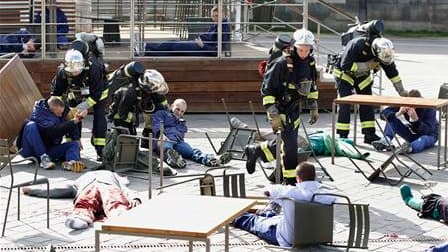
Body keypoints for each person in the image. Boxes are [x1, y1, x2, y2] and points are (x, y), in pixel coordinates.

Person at [244, 28, 319, 185]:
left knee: (287, 143)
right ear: (294, 47)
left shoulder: (310, 63)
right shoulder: (282, 63)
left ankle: (256, 150)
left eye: (307, 49)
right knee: (291, 147)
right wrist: (273, 113)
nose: (304, 53)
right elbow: (267, 89)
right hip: (279, 109)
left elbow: (312, 85)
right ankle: (290, 181)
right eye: (301, 49)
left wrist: (313, 104)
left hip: (294, 109)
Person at [232, 162, 335, 246]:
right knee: (275, 217)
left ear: (298, 178)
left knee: (253, 221)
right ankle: (266, 213)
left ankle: (233, 216)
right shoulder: (328, 195)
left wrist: (269, 192)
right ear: (314, 176)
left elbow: (270, 191)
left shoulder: (292, 193)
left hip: (289, 238)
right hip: (316, 237)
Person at [333, 32, 407, 144]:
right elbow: (345, 65)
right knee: (345, 104)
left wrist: (401, 91)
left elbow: (392, 73)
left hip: (362, 77)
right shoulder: (357, 44)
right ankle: (342, 136)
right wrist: (367, 66)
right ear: (375, 51)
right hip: (345, 75)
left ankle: (369, 134)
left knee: (367, 103)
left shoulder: (384, 52)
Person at [22, 170, 141, 230]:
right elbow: (60, 190)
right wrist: (34, 190)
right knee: (89, 201)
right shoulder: (112, 175)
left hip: (102, 188)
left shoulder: (112, 176)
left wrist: (33, 190)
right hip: (91, 188)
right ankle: (81, 218)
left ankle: (119, 214)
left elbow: (60, 189)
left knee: (107, 200)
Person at [50, 48, 107, 161]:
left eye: (76, 71)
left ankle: (100, 150)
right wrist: (60, 110)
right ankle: (73, 148)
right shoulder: (62, 71)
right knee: (71, 117)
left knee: (99, 118)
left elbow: (96, 94)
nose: (74, 74)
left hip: (98, 93)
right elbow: (57, 93)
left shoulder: (94, 68)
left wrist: (84, 106)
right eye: (71, 72)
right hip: (75, 94)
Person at [152, 98, 231, 168]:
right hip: (165, 139)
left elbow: (180, 135)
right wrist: (161, 134)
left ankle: (211, 160)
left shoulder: (182, 122)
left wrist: (179, 123)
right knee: (166, 148)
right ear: (172, 106)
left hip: (178, 142)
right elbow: (156, 124)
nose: (179, 113)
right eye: (177, 109)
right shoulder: (162, 114)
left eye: (182, 111)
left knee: (192, 151)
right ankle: (173, 159)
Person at [16, 97, 87, 171]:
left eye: (62, 113)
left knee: (74, 144)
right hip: (31, 150)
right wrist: (75, 121)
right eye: (59, 113)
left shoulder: (62, 109)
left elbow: (70, 121)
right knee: (31, 125)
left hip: (49, 149)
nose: (60, 115)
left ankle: (71, 163)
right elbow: (53, 132)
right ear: (51, 109)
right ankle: (44, 159)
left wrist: (76, 138)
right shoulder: (39, 112)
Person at [140, 6, 230, 57]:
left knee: (174, 45)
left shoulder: (224, 27)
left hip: (203, 50)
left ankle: (145, 45)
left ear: (224, 15)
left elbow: (217, 50)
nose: (215, 18)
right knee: (174, 49)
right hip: (198, 45)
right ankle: (145, 52)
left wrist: (203, 45)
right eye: (213, 16)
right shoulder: (218, 24)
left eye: (217, 15)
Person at [372, 89, 439, 154]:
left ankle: (410, 148)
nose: (411, 107)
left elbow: (428, 131)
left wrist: (416, 121)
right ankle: (386, 140)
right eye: (410, 104)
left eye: (414, 105)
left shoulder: (429, 108)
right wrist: (398, 113)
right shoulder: (403, 103)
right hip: (411, 134)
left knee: (424, 139)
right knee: (393, 118)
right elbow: (383, 114)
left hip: (429, 135)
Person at [109, 68, 169, 140]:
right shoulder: (129, 93)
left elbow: (162, 102)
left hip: (136, 108)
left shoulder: (151, 88)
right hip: (122, 114)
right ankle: (118, 139)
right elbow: (122, 113)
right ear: (147, 88)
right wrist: (138, 119)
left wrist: (167, 114)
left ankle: (148, 137)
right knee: (129, 140)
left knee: (158, 110)